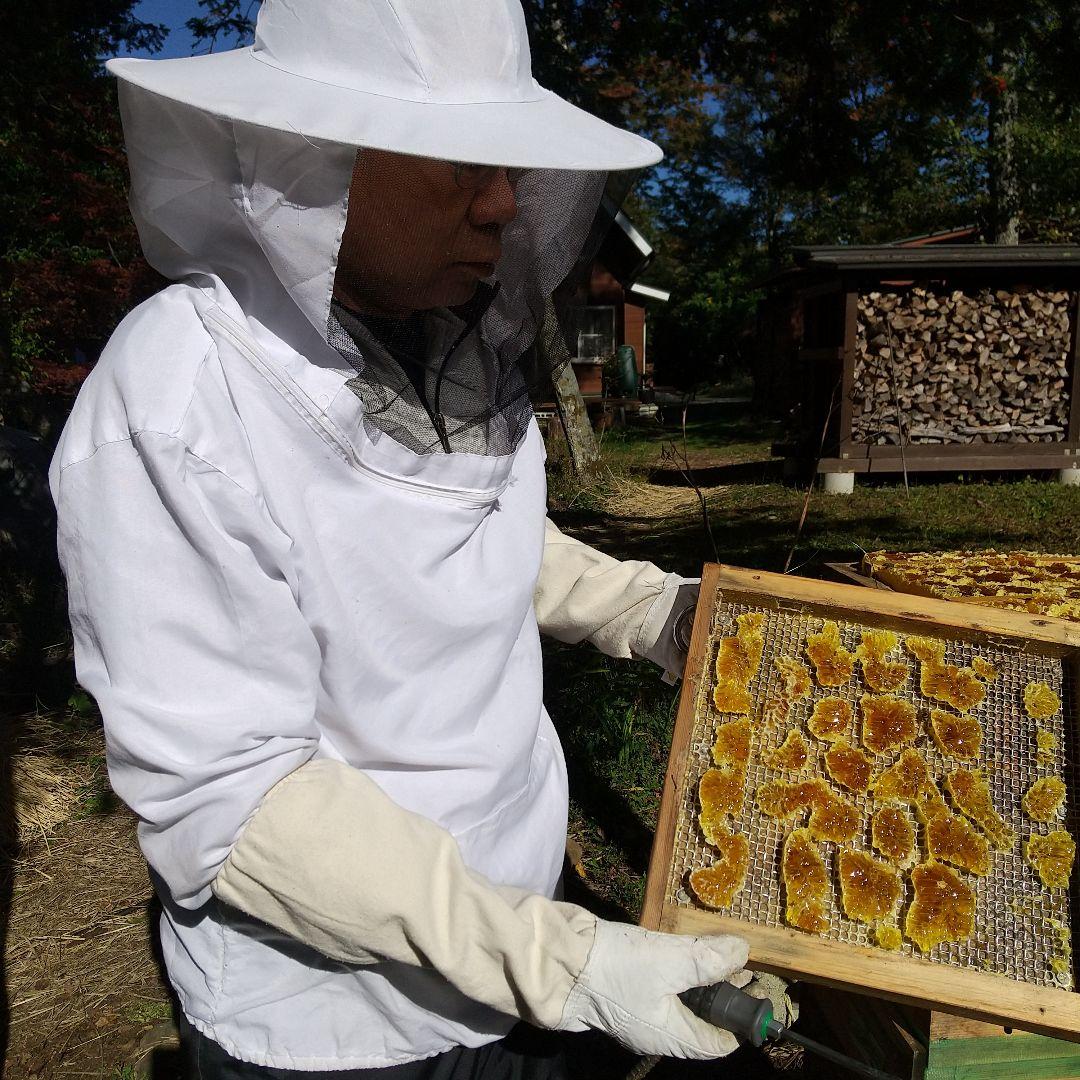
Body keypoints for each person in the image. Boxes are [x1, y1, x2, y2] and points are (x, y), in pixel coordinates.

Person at [49, 1, 750, 1076]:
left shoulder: (434, 333)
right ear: (316, 155)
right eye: (465, 162)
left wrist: (646, 610)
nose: (506, 207)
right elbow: (234, 799)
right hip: (339, 1019)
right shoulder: (177, 400)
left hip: (529, 927)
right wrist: (560, 962)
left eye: (511, 166)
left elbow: (466, 535)